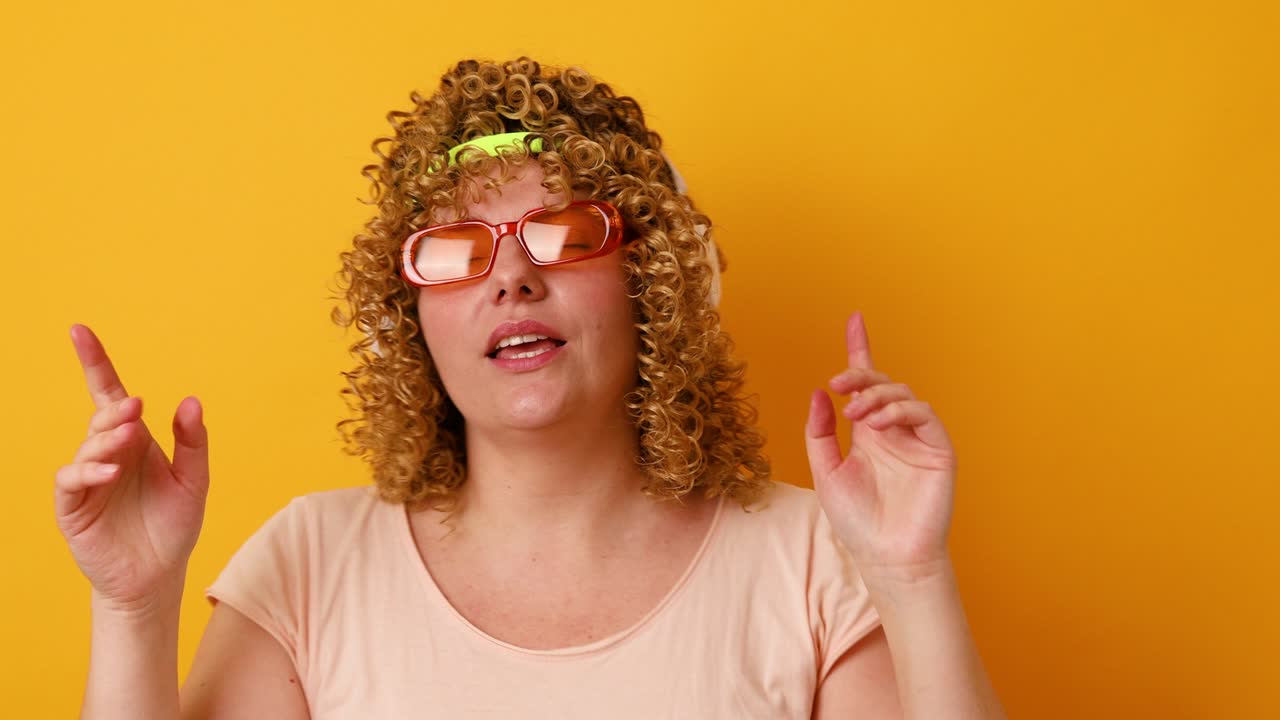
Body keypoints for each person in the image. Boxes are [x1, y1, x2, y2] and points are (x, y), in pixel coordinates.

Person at [56, 57, 1006, 718]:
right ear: (408, 315)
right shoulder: (309, 564)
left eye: (564, 232)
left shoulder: (809, 563)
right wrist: (135, 609)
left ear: (655, 278)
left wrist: (912, 580)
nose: (511, 276)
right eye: (457, 250)